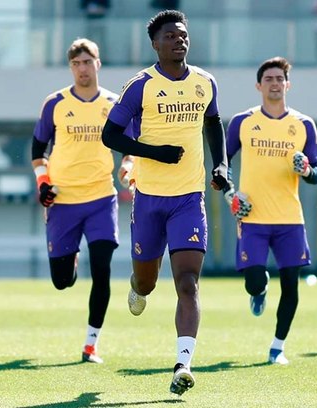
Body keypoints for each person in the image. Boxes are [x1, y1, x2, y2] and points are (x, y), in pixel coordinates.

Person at [101, 10, 230, 395]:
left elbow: (213, 123)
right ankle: (138, 288)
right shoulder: (140, 86)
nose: (180, 40)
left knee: (188, 283)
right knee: (148, 281)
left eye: (184, 35)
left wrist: (221, 164)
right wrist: (151, 152)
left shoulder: (205, 82)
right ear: (156, 44)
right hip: (149, 200)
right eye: (171, 36)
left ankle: (183, 364)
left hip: (189, 199)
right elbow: (110, 135)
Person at [31, 38, 128, 364]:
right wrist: (43, 182)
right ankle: (68, 260)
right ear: (71, 67)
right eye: (76, 64)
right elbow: (37, 150)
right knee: (62, 282)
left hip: (101, 197)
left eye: (87, 62)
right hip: (63, 200)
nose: (82, 69)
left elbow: (130, 146)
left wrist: (128, 166)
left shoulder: (115, 104)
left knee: (102, 269)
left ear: (98, 64)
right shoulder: (55, 103)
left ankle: (91, 344)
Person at [226, 57, 317, 365]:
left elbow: (316, 175)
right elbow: (221, 166)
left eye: (280, 78)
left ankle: (278, 347)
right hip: (252, 217)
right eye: (269, 79)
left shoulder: (303, 124)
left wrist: (306, 169)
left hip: (290, 219)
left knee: (291, 284)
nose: (275, 83)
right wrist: (230, 195)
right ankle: (259, 291)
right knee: (254, 280)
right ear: (258, 85)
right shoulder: (242, 121)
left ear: (288, 84)